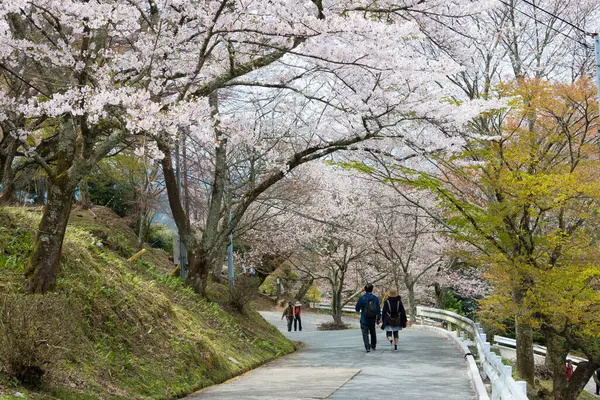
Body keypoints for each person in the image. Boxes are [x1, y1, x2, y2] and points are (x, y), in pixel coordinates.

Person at [355, 283, 381, 353]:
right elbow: (378, 310)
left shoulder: (362, 298)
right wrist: (378, 319)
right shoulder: (375, 298)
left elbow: (357, 308)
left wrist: (359, 309)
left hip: (364, 319)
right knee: (373, 331)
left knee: (365, 333)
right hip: (372, 319)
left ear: (365, 290)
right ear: (372, 289)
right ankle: (373, 345)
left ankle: (367, 347)